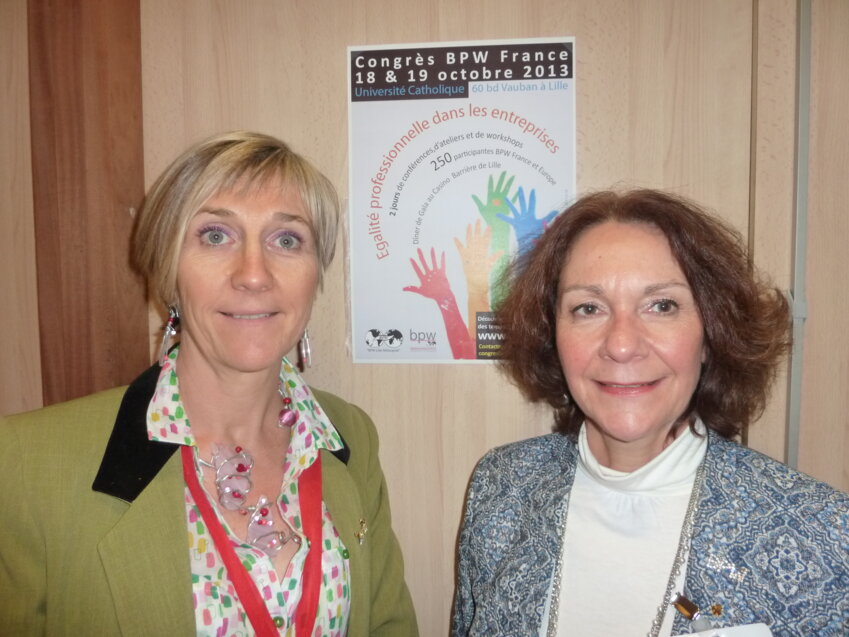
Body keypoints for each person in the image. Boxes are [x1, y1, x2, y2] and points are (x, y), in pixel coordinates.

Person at [0, 131, 418, 636]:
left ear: (315, 275)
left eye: (287, 240)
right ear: (168, 268)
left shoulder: (350, 437)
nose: (254, 275)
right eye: (216, 235)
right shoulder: (23, 463)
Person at [451, 189, 849, 636]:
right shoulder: (502, 487)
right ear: (552, 335)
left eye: (662, 306)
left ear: (711, 334)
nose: (622, 345)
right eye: (588, 308)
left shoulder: (826, 534)